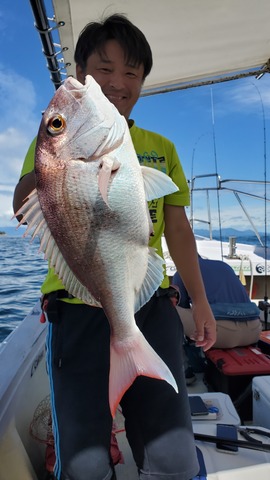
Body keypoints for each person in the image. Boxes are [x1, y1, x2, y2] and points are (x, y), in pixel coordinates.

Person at [13, 14, 216, 480]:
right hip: (76, 302)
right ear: (84, 73)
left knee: (173, 454)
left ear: (143, 79)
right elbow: (24, 202)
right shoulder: (55, 145)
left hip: (148, 302)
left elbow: (178, 230)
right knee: (83, 464)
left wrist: (200, 300)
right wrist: (53, 166)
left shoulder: (160, 148)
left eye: (132, 72)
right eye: (103, 70)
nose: (117, 82)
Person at [173, 256, 261, 379]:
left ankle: (185, 371)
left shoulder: (183, 271)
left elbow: (181, 304)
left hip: (221, 334)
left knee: (169, 309)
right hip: (254, 331)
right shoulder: (223, 265)